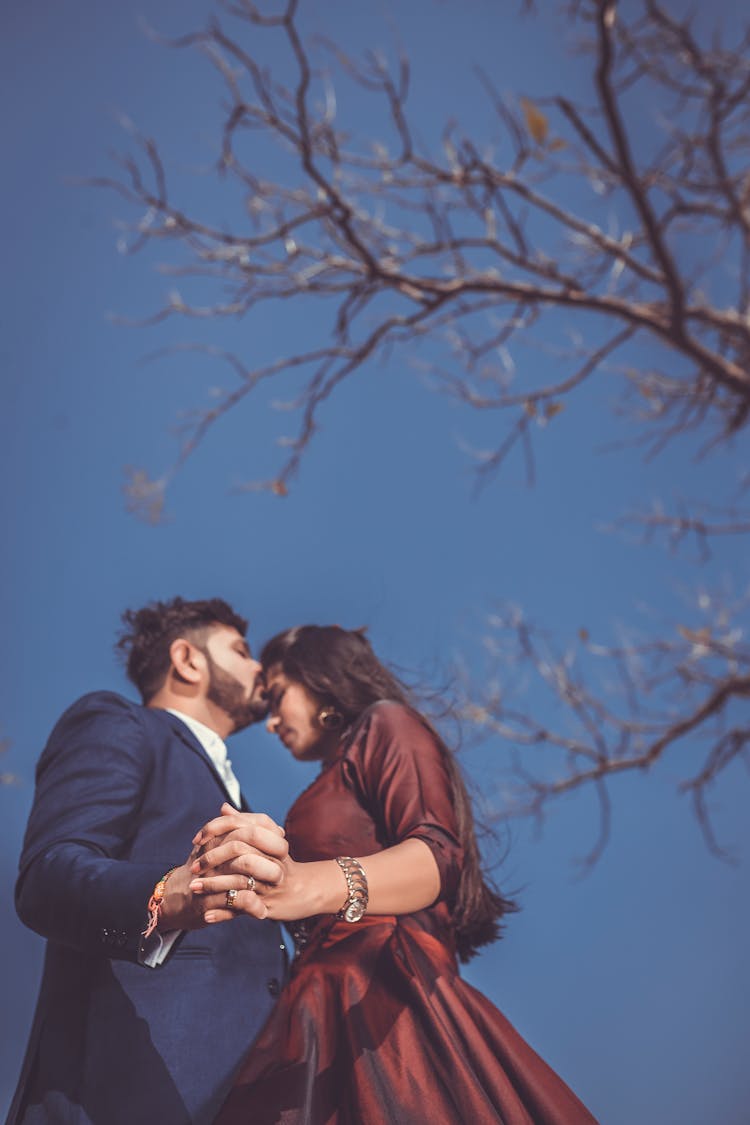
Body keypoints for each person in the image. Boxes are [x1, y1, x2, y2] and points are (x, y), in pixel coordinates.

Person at [189, 625, 599, 1124]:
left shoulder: (388, 724)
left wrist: (309, 885)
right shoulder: (332, 773)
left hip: (385, 999)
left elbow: (435, 857)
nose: (271, 723)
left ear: (319, 679)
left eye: (277, 697)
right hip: (316, 1011)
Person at [7, 598, 289, 1125]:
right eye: (241, 651)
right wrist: (165, 894)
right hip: (127, 1090)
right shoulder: (120, 723)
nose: (260, 669)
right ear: (187, 660)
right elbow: (49, 874)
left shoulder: (244, 801)